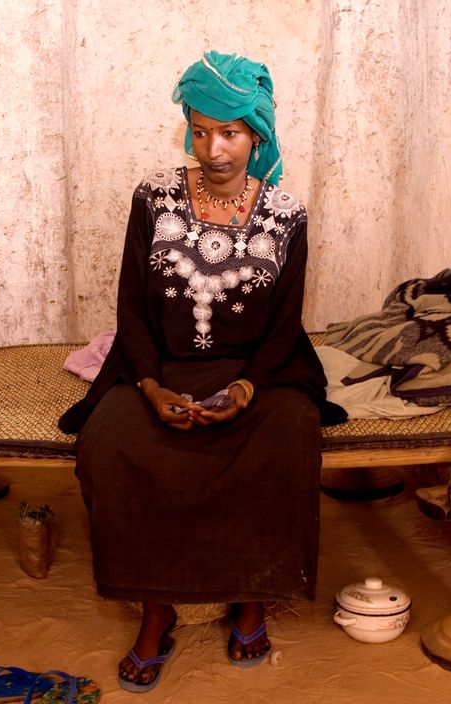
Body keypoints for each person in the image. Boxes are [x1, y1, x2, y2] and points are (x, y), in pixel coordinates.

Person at [58, 50, 346, 693]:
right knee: (113, 443)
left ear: (258, 134)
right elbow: (131, 305)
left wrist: (245, 390)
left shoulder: (287, 213)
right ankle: (156, 610)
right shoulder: (153, 197)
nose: (214, 148)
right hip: (158, 364)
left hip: (258, 372)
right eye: (200, 129)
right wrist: (152, 386)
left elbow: (285, 324)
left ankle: (250, 599)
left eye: (231, 132)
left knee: (287, 438)